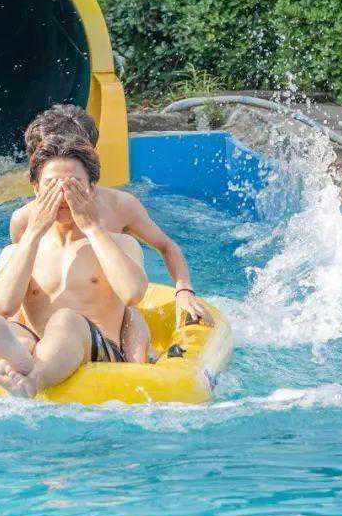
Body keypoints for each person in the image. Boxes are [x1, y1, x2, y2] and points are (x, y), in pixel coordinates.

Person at [12, 104, 206, 362]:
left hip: (112, 314)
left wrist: (183, 289)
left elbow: (166, 246)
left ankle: (137, 369)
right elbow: (23, 278)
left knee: (132, 316)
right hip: (53, 325)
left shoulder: (119, 206)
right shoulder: (25, 218)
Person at [0, 134, 149, 398]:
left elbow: (133, 294)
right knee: (10, 329)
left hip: (100, 351)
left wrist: (91, 227)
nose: (63, 195)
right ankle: (22, 363)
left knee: (66, 319)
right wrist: (34, 232)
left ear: (92, 189)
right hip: (37, 344)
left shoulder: (120, 244)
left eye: (74, 185)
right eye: (51, 186)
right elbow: (3, 307)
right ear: (36, 189)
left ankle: (33, 380)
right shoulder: (16, 252)